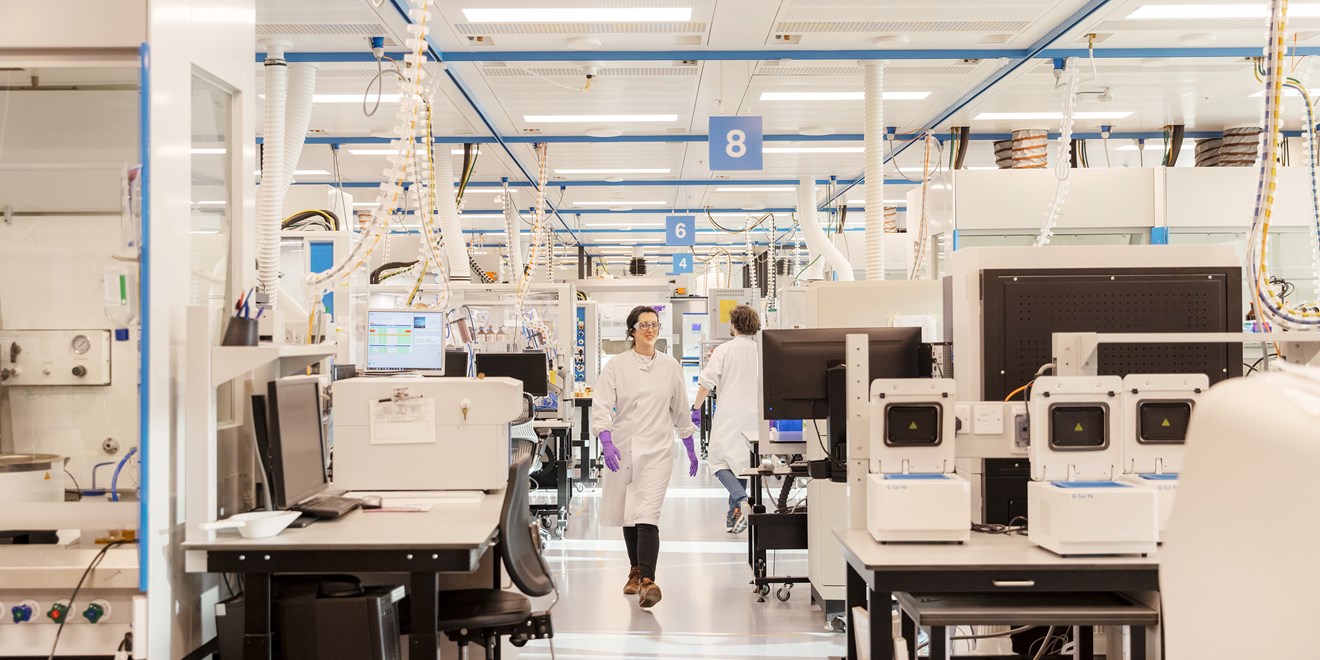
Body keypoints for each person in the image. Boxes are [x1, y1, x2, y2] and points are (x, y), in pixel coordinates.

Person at [591, 305, 698, 609]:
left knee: (647, 511)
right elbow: (601, 404)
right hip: (623, 447)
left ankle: (648, 581)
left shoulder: (670, 366)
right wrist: (606, 439)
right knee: (630, 509)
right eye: (644, 325)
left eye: (654, 325)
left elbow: (679, 408)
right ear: (632, 330)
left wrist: (690, 446)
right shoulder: (616, 366)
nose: (650, 330)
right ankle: (635, 571)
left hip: (658, 450)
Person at [691, 305, 761, 533]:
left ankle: (742, 500)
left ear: (734, 325)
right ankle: (733, 517)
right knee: (742, 464)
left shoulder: (724, 350)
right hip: (756, 417)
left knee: (718, 462)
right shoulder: (761, 350)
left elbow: (706, 382)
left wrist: (696, 407)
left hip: (729, 415)